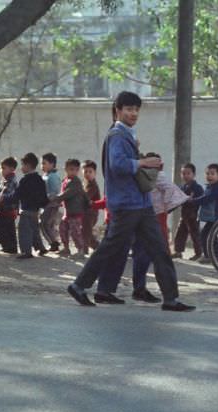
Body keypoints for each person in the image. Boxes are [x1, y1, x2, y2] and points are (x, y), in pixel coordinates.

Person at [67, 91, 194, 312]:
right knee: (111, 248)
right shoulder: (117, 135)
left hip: (139, 203)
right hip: (128, 204)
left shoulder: (125, 134)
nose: (133, 113)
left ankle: (170, 298)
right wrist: (143, 162)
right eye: (129, 109)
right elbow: (118, 165)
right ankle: (79, 285)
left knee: (158, 248)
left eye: (136, 109)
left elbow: (125, 163)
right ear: (118, 110)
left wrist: (144, 161)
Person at [16, 152, 49, 259]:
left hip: (26, 209)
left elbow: (18, 194)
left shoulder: (25, 180)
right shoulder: (40, 179)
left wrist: (6, 199)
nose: (21, 168)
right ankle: (41, 248)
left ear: (28, 165)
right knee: (34, 230)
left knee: (24, 231)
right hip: (36, 210)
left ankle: (26, 251)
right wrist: (43, 205)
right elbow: (44, 195)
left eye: (23, 165)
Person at [55, 158, 88, 257]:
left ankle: (81, 250)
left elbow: (67, 193)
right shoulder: (66, 180)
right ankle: (66, 248)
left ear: (78, 170)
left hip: (76, 212)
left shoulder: (76, 182)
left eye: (75, 169)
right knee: (62, 229)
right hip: (68, 212)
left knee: (75, 232)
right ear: (65, 169)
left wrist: (56, 198)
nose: (73, 172)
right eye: (70, 169)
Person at [172, 163, 204, 260]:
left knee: (195, 235)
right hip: (184, 214)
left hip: (193, 215)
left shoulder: (197, 188)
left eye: (188, 173)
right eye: (183, 173)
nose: (185, 176)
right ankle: (178, 251)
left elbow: (201, 200)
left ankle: (198, 253)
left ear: (194, 174)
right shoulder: (183, 187)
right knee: (180, 233)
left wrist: (192, 201)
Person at [198, 163, 218, 264]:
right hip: (212, 218)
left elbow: (206, 199)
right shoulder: (210, 187)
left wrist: (194, 200)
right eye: (207, 173)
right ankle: (213, 256)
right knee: (208, 236)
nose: (209, 176)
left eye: (212, 174)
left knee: (209, 236)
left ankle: (213, 256)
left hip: (216, 217)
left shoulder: (216, 189)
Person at [0, 156, 20, 254]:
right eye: (1, 168)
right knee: (9, 228)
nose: (1, 170)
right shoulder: (5, 179)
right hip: (7, 208)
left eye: (4, 168)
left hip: (8, 208)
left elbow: (7, 195)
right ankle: (11, 247)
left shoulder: (10, 180)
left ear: (12, 169)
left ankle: (8, 245)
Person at [40, 152, 62, 251]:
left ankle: (54, 242)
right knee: (47, 224)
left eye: (44, 163)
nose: (42, 166)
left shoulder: (52, 176)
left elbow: (54, 192)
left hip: (51, 204)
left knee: (45, 223)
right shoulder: (47, 175)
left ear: (52, 164)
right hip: (47, 204)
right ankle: (54, 242)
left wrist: (46, 200)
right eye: (41, 163)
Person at [81, 160, 101, 251]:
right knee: (85, 231)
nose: (87, 174)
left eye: (90, 172)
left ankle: (84, 250)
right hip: (85, 213)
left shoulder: (92, 185)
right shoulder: (85, 183)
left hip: (91, 213)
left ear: (95, 173)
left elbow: (85, 197)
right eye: (85, 171)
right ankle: (99, 248)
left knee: (86, 232)